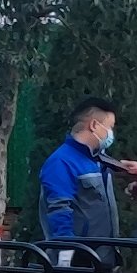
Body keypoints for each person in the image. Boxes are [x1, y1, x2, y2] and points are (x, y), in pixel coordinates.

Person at [37, 99, 121, 244]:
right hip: (79, 259)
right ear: (94, 125)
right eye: (110, 127)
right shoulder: (61, 162)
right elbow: (59, 209)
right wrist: (66, 252)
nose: (110, 134)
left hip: (103, 255)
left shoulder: (99, 160)